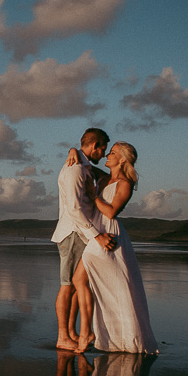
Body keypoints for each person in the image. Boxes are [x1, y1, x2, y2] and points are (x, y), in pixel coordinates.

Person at [68, 142, 158, 354]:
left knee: (88, 281)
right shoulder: (105, 177)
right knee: (82, 281)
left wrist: (93, 196)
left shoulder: (125, 183)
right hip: (96, 233)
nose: (108, 155)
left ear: (123, 159)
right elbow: (85, 163)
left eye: (113, 153)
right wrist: (73, 150)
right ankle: (88, 333)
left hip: (109, 234)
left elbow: (111, 212)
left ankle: (86, 334)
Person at [52, 128, 117, 352]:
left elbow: (105, 176)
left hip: (81, 234)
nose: (103, 153)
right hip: (73, 233)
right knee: (67, 286)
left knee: (77, 287)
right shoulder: (75, 170)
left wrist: (74, 150)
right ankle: (62, 336)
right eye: (102, 149)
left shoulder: (84, 167)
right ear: (94, 145)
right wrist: (96, 235)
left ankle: (71, 333)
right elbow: (73, 209)